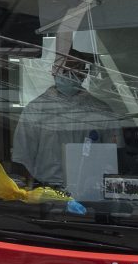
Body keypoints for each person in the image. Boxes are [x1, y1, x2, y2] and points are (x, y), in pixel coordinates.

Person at [11, 44, 121, 190]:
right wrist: (31, 191)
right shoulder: (36, 109)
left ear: (85, 73)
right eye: (64, 68)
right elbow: (22, 157)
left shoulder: (101, 111)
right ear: (53, 71)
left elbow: (114, 157)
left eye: (75, 69)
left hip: (92, 190)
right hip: (48, 191)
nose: (69, 73)